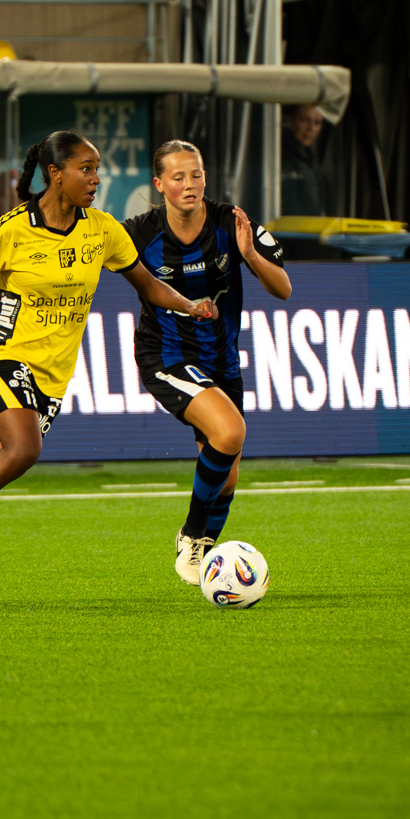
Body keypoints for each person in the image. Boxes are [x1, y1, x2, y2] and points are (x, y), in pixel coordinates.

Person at [0, 130, 217, 604]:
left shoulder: (102, 231)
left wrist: (189, 305)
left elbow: (148, 285)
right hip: (1, 354)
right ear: (56, 173)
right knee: (25, 449)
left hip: (51, 376)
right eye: (85, 169)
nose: (96, 179)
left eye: (97, 169)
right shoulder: (11, 229)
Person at [123, 140, 291, 585]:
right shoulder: (138, 233)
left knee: (228, 478)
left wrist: (250, 255)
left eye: (196, 174)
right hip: (165, 354)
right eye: (178, 177)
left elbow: (284, 289)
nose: (189, 184)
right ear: (159, 184)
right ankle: (191, 536)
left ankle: (205, 560)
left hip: (222, 361)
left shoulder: (231, 222)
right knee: (230, 430)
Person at [281, 103, 328, 216]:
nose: (310, 128)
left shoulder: (311, 160)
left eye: (317, 123)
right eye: (304, 120)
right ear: (290, 120)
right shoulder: (278, 157)